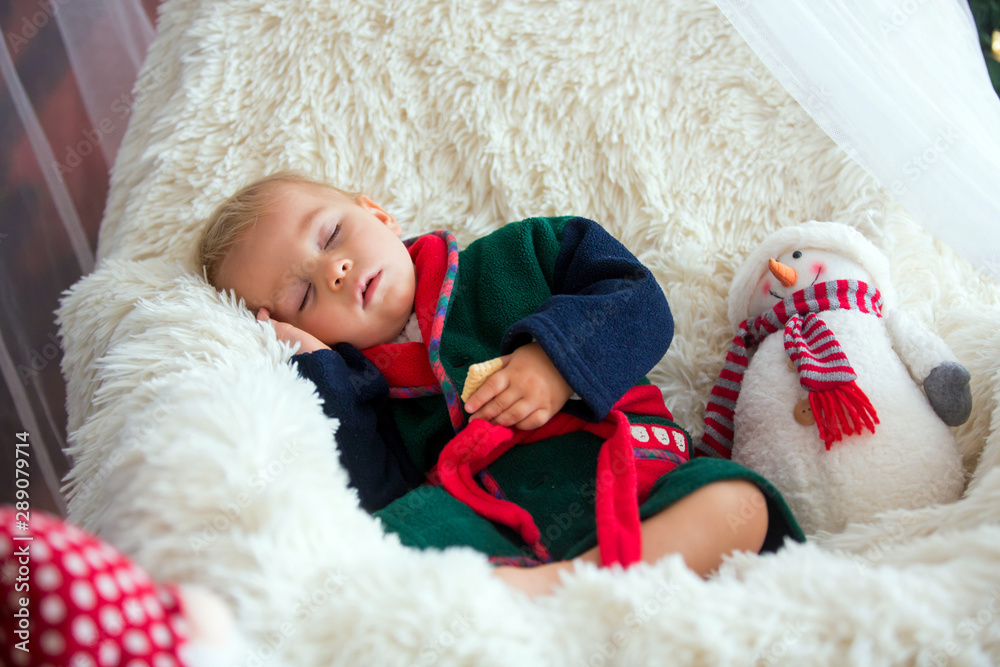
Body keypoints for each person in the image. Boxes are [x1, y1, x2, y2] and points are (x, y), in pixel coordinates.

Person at [198, 172, 804, 597]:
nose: (333, 269)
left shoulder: (523, 253)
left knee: (739, 503)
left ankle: (573, 589)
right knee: (386, 553)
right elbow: (378, 498)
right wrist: (320, 372)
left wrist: (555, 361)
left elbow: (640, 303)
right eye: (302, 296)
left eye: (331, 236)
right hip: (495, 529)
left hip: (633, 479)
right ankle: (554, 601)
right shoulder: (362, 394)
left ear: (377, 213)